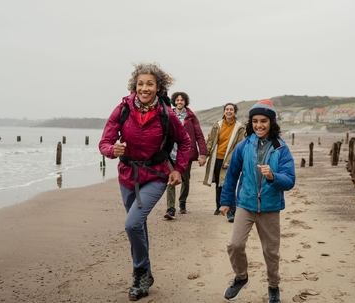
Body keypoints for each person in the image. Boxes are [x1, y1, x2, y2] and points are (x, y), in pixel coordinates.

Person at [98, 62, 191, 301]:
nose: (144, 87)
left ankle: (139, 273)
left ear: (158, 87)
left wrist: (179, 169)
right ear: (134, 86)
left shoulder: (166, 114)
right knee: (138, 225)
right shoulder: (122, 109)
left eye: (150, 83)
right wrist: (113, 150)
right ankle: (146, 274)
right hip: (127, 175)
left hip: (156, 176)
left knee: (131, 224)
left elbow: (185, 142)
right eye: (140, 83)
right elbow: (105, 142)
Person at [220, 99, 295, 303]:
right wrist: (226, 201)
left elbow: (290, 180)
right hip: (245, 204)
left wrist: (273, 177)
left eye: (263, 121)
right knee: (235, 244)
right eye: (255, 121)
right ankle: (241, 277)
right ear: (250, 122)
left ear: (271, 122)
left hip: (270, 207)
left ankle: (273, 287)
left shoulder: (281, 148)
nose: (259, 125)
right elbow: (232, 175)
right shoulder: (244, 146)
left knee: (271, 252)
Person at [164, 92, 207, 219]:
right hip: (170, 153)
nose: (179, 102)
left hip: (185, 154)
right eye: (177, 100)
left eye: (182, 100)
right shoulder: (168, 114)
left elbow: (199, 135)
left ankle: (182, 203)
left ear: (185, 102)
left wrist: (203, 153)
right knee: (170, 180)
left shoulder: (191, 117)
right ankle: (170, 208)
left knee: (185, 181)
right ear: (174, 101)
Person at [202, 103, 245, 222]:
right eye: (227, 109)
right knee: (218, 184)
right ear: (224, 112)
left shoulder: (239, 127)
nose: (229, 111)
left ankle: (231, 212)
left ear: (235, 112)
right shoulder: (218, 124)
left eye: (231, 109)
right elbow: (211, 140)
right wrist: (205, 155)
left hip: (230, 159)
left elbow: (238, 145)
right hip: (217, 158)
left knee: (228, 183)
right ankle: (218, 206)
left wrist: (230, 161)